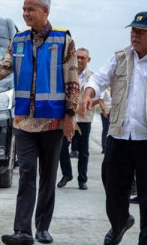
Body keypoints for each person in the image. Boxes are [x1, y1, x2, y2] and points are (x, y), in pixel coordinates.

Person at [0, 0, 79, 245]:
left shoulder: (63, 40)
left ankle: (42, 228)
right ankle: (22, 231)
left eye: (31, 9)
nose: (26, 13)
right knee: (27, 171)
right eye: (24, 9)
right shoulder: (17, 40)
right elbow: (3, 70)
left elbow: (72, 79)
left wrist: (70, 115)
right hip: (23, 121)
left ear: (45, 12)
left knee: (48, 176)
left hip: (52, 120)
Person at [80, 11, 147, 245]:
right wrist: (88, 93)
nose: (135, 36)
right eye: (133, 31)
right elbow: (98, 79)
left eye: (141, 32)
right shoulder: (120, 58)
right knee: (113, 190)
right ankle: (120, 222)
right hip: (120, 136)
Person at [57, 47, 97, 190]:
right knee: (62, 147)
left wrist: (86, 104)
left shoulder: (93, 77)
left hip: (84, 118)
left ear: (88, 60)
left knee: (83, 150)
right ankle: (67, 174)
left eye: (83, 58)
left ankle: (82, 179)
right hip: (68, 117)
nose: (79, 60)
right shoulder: (66, 74)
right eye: (77, 57)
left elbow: (99, 97)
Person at [99, 87, 112, 153]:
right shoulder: (104, 89)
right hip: (106, 111)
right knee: (106, 129)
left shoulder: (114, 88)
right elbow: (100, 101)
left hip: (113, 111)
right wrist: (104, 111)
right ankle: (104, 146)